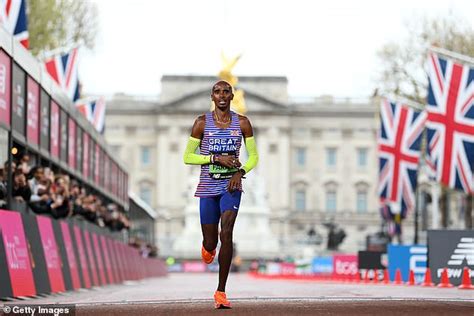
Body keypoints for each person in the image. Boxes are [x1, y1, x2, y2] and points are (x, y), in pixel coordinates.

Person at [183, 80, 259, 309]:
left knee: (227, 232)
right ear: (212, 96)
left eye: (226, 91)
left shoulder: (243, 123)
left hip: (231, 187)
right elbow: (188, 156)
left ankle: (221, 292)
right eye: (218, 92)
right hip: (207, 188)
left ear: (232, 96)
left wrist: (241, 171)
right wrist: (215, 158)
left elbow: (254, 156)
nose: (222, 95)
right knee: (211, 241)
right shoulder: (201, 123)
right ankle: (208, 247)